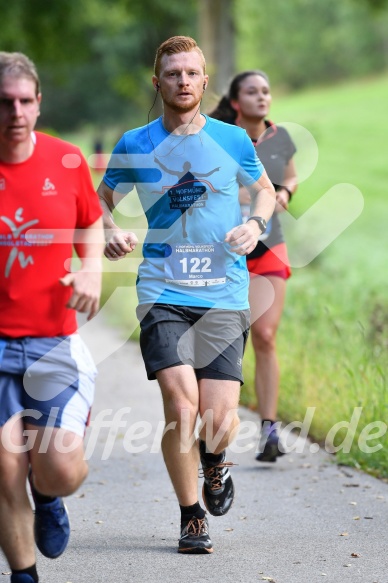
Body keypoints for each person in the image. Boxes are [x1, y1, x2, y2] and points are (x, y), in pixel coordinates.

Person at [98, 36, 276, 554]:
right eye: (172, 74)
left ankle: (215, 463)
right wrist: (108, 227)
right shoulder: (135, 143)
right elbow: (99, 197)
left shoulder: (232, 139)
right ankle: (191, 513)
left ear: (203, 81)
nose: (182, 82)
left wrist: (257, 222)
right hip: (163, 290)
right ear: (159, 83)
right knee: (181, 404)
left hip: (222, 292)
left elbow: (264, 190)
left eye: (191, 74)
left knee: (218, 420)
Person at [0, 52, 104, 583]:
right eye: (4, 102)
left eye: (24, 101)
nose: (15, 112)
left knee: (57, 469)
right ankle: (23, 575)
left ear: (39, 104)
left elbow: (91, 223)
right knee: (4, 468)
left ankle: (49, 495)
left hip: (52, 342)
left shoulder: (66, 161)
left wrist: (90, 271)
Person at [210, 71, 298, 462]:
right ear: (235, 101)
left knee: (265, 335)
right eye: (252, 91)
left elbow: (291, 176)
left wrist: (284, 192)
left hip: (270, 246)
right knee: (234, 333)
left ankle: (270, 429)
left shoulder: (281, 138)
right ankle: (219, 418)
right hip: (228, 250)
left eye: (266, 90)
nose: (262, 97)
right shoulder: (220, 138)